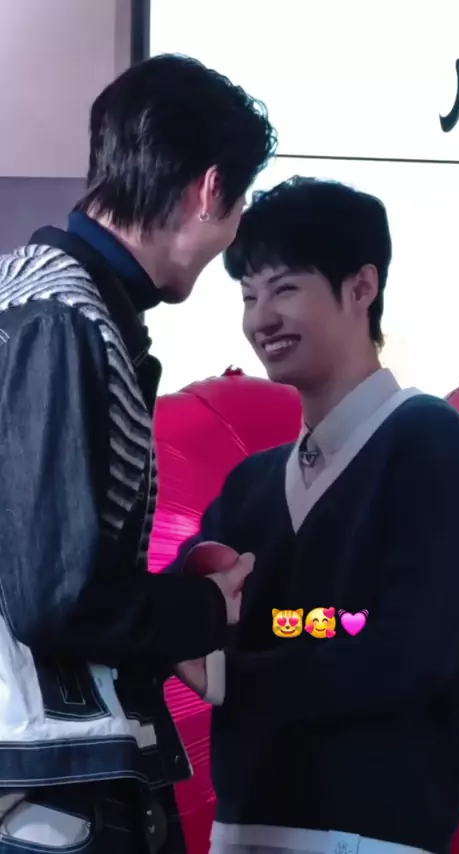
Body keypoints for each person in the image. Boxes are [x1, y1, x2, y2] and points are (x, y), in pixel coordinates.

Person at [0, 54, 276, 853]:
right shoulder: (63, 317)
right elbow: (54, 597)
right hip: (47, 786)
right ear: (209, 190)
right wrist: (205, 610)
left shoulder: (41, 295)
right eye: (238, 208)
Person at [171, 178, 459, 854]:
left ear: (362, 287)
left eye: (284, 289)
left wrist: (232, 679)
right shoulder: (252, 484)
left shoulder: (432, 443)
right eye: (248, 296)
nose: (261, 319)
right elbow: (181, 607)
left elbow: (413, 653)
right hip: (243, 825)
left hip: (370, 833)